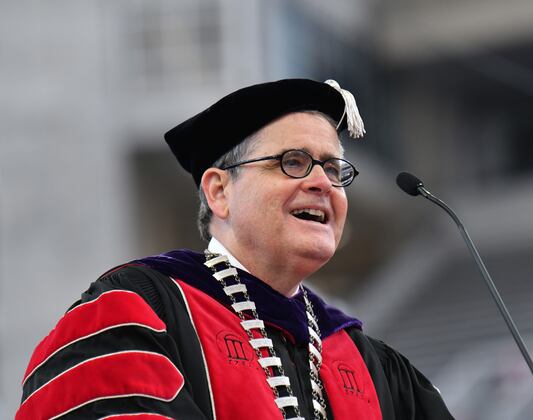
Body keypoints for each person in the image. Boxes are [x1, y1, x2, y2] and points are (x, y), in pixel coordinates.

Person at [16, 79, 454, 419]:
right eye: (294, 162)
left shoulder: (373, 367)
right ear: (219, 191)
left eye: (335, 170)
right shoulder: (138, 312)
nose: (323, 183)